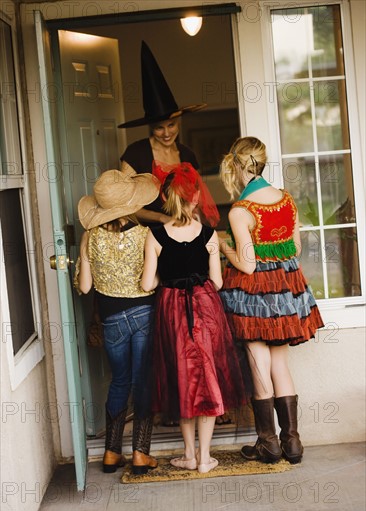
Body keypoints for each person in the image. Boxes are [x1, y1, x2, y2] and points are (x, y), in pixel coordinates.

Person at [219, 137, 324, 465]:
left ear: (236, 165)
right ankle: (292, 442)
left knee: (258, 364)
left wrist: (224, 248)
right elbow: (294, 248)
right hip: (284, 289)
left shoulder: (241, 210)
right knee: (280, 364)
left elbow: (247, 264)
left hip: (252, 298)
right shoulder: (286, 201)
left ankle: (268, 443)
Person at [141, 163, 247, 474]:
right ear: (197, 197)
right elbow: (217, 283)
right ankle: (204, 458)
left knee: (182, 379)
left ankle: (188, 454)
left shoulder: (155, 235)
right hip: (205, 308)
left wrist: (168, 278)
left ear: (165, 198)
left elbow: (148, 284)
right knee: (208, 376)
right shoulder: (210, 234)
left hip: (173, 311)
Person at [76, 168, 160, 475]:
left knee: (120, 381)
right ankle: (141, 453)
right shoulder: (145, 235)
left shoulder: (89, 237)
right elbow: (151, 281)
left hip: (111, 321)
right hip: (144, 315)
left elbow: (85, 287)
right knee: (142, 382)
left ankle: (111, 453)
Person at [119, 41, 206, 226]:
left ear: (179, 122)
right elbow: (124, 204)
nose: (167, 133)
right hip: (149, 237)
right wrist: (162, 218)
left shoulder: (188, 155)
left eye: (172, 125)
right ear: (150, 127)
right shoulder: (134, 154)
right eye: (159, 127)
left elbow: (196, 199)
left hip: (185, 232)